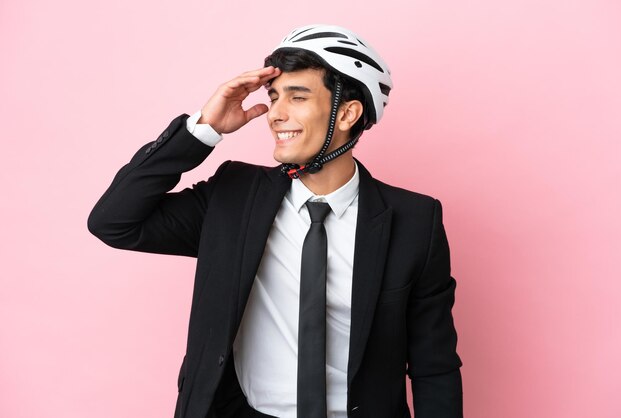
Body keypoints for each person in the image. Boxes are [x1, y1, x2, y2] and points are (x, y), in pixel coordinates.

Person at [88, 24, 462, 418]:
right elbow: (114, 222)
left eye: (297, 97)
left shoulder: (415, 221)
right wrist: (203, 129)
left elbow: (433, 364)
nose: (275, 114)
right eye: (273, 96)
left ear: (349, 113)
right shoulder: (233, 196)